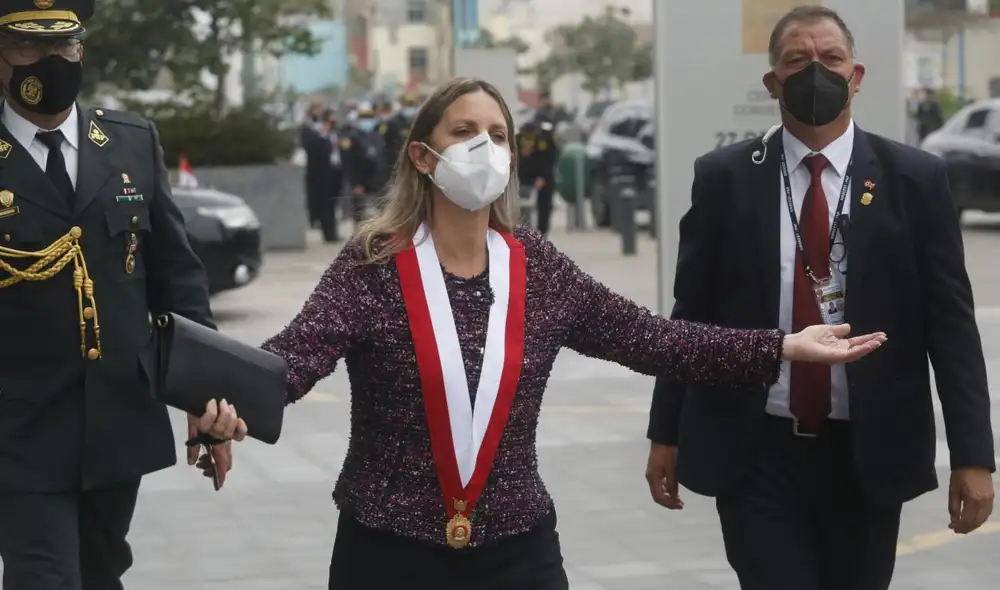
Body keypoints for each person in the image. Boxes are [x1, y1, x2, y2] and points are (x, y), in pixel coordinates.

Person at [257, 76, 886, 590]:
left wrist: (780, 347)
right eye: (464, 131)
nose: (486, 146)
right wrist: (226, 399)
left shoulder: (535, 266)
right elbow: (295, 355)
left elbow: (653, 340)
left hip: (517, 550)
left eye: (498, 134)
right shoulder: (375, 263)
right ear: (423, 155)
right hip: (387, 550)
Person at [644, 7, 994, 590]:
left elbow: (952, 326)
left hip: (868, 450)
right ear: (772, 83)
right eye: (797, 61)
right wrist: (667, 431)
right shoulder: (725, 178)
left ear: (856, 76)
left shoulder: (915, 180)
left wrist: (974, 456)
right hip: (757, 447)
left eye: (830, 59)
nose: (816, 72)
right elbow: (691, 317)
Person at [0, 2, 247, 589]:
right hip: (17, 426)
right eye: (33, 47)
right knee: (45, 576)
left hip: (115, 417)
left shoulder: (131, 142)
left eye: (66, 46)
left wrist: (203, 397)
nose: (53, 60)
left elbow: (177, 280)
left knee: (101, 571)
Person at [342, 101, 386, 229]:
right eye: (364, 118)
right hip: (360, 183)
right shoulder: (352, 137)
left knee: (378, 218)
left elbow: (382, 158)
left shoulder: (377, 136)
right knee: (360, 217)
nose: (367, 121)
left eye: (369, 118)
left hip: (377, 183)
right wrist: (355, 183)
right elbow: (349, 163)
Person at [516, 119, 558, 235]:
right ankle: (525, 232)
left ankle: (542, 232)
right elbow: (515, 162)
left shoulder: (546, 140)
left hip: (543, 174)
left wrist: (542, 177)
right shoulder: (517, 140)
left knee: (545, 206)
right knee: (523, 204)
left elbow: (550, 160)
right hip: (525, 175)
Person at [300, 100, 330, 229]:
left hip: (325, 165)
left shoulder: (324, 124)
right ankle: (314, 218)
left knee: (324, 195)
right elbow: (307, 143)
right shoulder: (307, 125)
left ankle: (323, 219)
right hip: (313, 164)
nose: (319, 112)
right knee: (313, 194)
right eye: (317, 109)